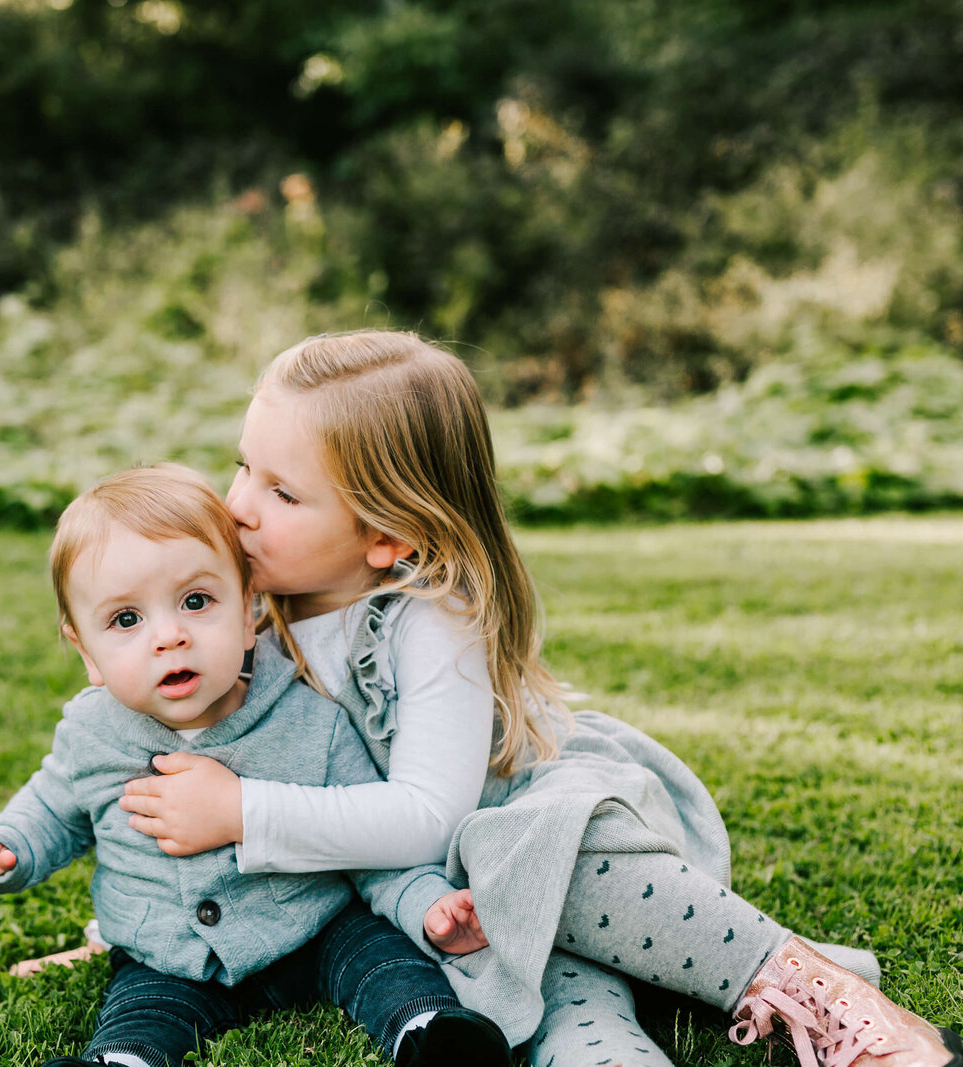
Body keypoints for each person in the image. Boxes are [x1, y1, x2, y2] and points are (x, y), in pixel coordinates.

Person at [116, 331, 963, 1067]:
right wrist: (143, 914)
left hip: (552, 824)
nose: (237, 508)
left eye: (281, 492)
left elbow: (427, 817)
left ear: (388, 535)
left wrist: (243, 812)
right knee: (543, 1001)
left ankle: (828, 1000)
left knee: (547, 857)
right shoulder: (239, 619)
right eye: (242, 466)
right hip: (453, 903)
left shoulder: (425, 620)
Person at [0, 464, 508, 1067]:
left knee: (385, 962)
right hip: (169, 952)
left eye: (196, 602)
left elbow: (369, 848)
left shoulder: (311, 719)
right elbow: (49, 812)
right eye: (126, 620)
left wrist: (426, 904)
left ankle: (430, 1034)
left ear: (249, 614)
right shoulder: (91, 734)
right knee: (143, 1013)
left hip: (315, 930)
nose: (169, 636)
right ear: (85, 652)